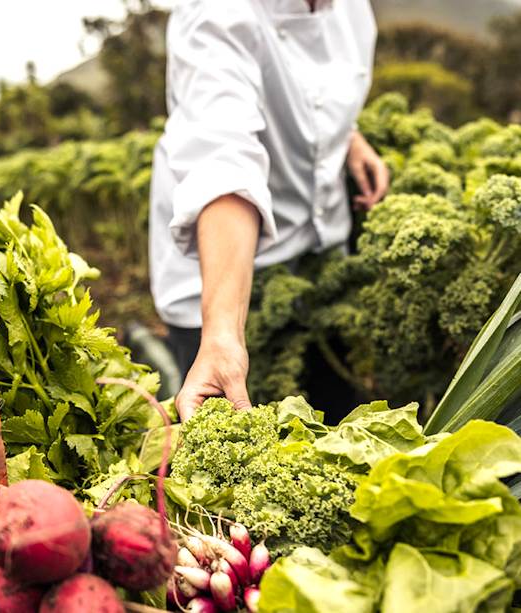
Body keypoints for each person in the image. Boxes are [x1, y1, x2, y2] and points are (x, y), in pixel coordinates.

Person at [149, 0, 389, 422]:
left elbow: (312, 86)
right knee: (239, 456)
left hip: (318, 259)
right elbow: (224, 161)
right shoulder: (215, 13)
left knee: (338, 416)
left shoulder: (352, 9)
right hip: (220, 275)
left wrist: (348, 137)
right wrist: (223, 335)